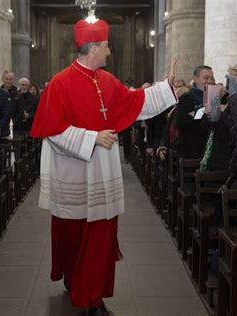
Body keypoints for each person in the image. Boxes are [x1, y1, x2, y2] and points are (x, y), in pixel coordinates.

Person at [30, 19, 178, 316]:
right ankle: (76, 280)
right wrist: (92, 137)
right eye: (106, 46)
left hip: (102, 169)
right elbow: (51, 130)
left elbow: (133, 103)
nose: (110, 51)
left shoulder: (107, 80)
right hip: (72, 171)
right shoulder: (60, 83)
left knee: (99, 237)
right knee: (72, 235)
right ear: (94, 48)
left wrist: (166, 88)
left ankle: (93, 299)